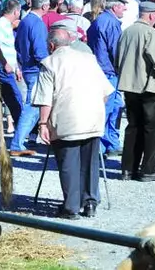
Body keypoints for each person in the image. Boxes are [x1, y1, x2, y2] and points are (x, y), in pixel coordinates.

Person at [34, 28, 115, 219]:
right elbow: (106, 93)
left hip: (67, 120)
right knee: (90, 162)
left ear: (51, 45)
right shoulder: (88, 58)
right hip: (93, 117)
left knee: (69, 163)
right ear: (69, 42)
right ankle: (90, 203)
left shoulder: (49, 63)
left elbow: (45, 99)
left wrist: (43, 124)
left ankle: (71, 207)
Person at [116, 1, 155, 182]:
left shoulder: (126, 32)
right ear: (152, 15)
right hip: (150, 87)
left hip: (129, 87)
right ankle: (148, 169)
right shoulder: (151, 33)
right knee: (152, 130)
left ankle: (127, 169)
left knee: (133, 128)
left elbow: (118, 59)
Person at [87, 0, 127, 157]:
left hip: (101, 69)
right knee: (108, 109)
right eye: (123, 7)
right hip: (109, 71)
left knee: (114, 107)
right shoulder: (111, 23)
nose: (124, 11)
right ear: (116, 6)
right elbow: (116, 50)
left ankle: (110, 143)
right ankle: (101, 146)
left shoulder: (98, 21)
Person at [9, 0, 49, 156]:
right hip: (36, 69)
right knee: (32, 107)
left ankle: (19, 142)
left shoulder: (24, 21)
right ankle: (17, 144)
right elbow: (40, 51)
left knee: (33, 106)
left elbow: (17, 45)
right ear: (45, 6)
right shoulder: (37, 24)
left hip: (27, 67)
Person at [0, 0, 25, 125]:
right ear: (16, 12)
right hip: (2, 70)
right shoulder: (1, 25)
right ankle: (21, 132)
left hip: (6, 69)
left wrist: (16, 68)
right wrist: (5, 64)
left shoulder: (6, 25)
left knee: (15, 100)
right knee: (16, 100)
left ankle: (20, 131)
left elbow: (7, 49)